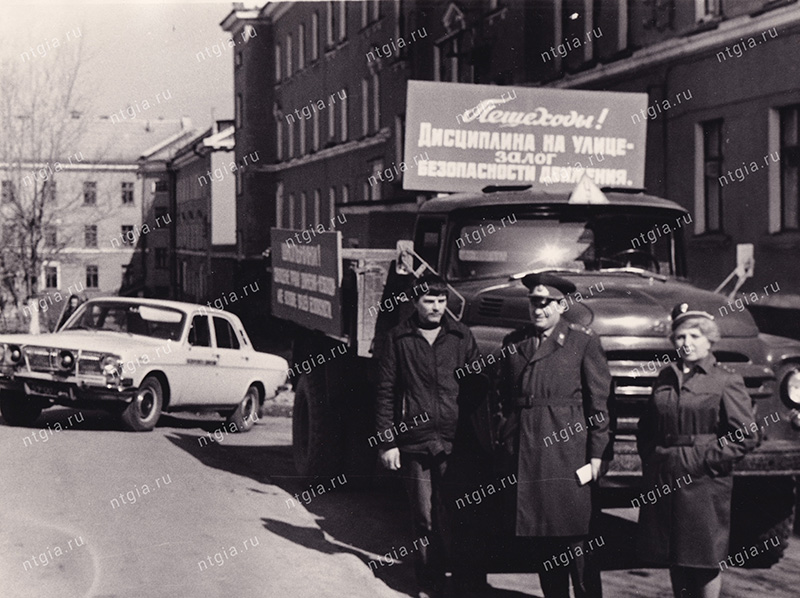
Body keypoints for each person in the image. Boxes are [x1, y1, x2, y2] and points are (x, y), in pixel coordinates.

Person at [495, 272, 612, 598]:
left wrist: (597, 456)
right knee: (543, 542)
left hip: (567, 454)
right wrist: (505, 436)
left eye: (546, 303)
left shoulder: (582, 342)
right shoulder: (514, 343)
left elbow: (599, 404)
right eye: (534, 302)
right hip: (528, 454)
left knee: (577, 539)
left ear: (562, 305)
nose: (539, 309)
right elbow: (502, 397)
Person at [636, 303, 759, 598]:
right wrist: (654, 460)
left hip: (704, 481)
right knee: (674, 554)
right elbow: (647, 428)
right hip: (666, 476)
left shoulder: (726, 379)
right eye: (680, 337)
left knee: (704, 559)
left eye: (694, 336)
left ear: (709, 340)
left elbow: (746, 435)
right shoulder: (665, 377)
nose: (686, 343)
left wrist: (705, 460)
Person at [374, 273, 481, 598]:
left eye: (440, 301)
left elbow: (477, 389)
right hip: (414, 441)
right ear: (415, 302)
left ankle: (460, 581)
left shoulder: (461, 337)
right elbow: (385, 392)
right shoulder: (398, 339)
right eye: (428, 301)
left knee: (454, 514)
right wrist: (388, 441)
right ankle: (428, 581)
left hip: (453, 441)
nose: (436, 308)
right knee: (423, 517)